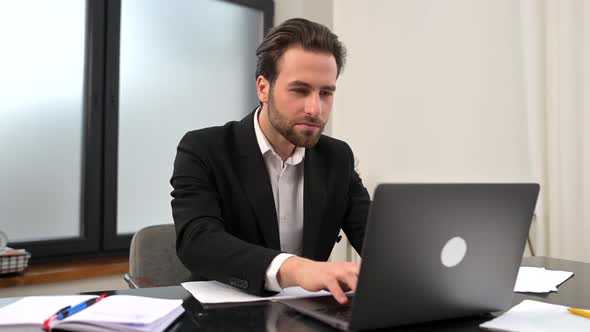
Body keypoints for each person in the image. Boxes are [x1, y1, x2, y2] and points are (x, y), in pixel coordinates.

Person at [170, 18, 370, 304]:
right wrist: (296, 268)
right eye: (300, 90)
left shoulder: (337, 157)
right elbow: (198, 241)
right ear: (263, 88)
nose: (315, 108)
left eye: (326, 93)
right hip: (223, 316)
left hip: (306, 315)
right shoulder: (204, 149)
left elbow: (376, 240)